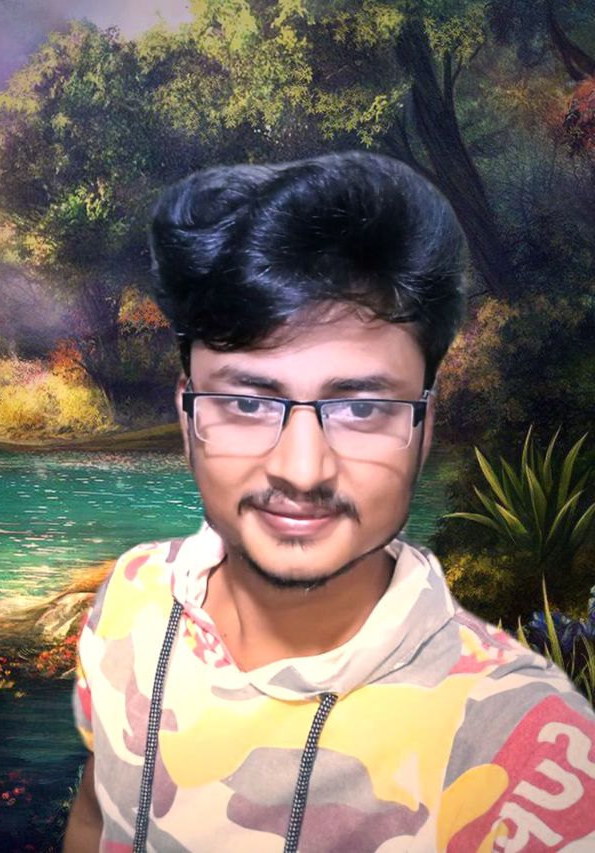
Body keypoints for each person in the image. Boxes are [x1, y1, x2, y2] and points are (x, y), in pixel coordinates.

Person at [63, 151, 595, 853]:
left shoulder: (524, 748)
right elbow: (96, 814)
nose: (302, 469)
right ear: (188, 416)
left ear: (424, 426)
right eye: (248, 402)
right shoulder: (133, 594)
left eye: (361, 407)